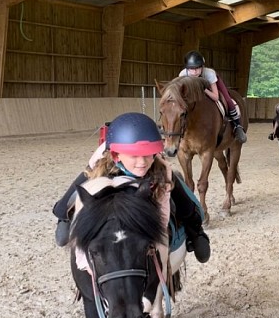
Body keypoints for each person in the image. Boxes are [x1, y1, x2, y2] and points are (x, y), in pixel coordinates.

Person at [52, 112, 211, 264]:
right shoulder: (107, 159)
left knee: (178, 187)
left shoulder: (154, 161)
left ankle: (195, 230)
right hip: (111, 154)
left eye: (147, 155)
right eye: (135, 156)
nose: (142, 163)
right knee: (84, 180)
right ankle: (63, 215)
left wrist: (161, 167)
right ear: (116, 156)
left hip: (147, 157)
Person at [179, 50, 247, 144]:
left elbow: (215, 97)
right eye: (191, 69)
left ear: (202, 67)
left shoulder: (209, 73)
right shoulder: (183, 75)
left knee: (227, 99)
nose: (194, 72)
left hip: (211, 85)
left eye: (197, 68)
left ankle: (237, 126)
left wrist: (204, 90)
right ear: (187, 68)